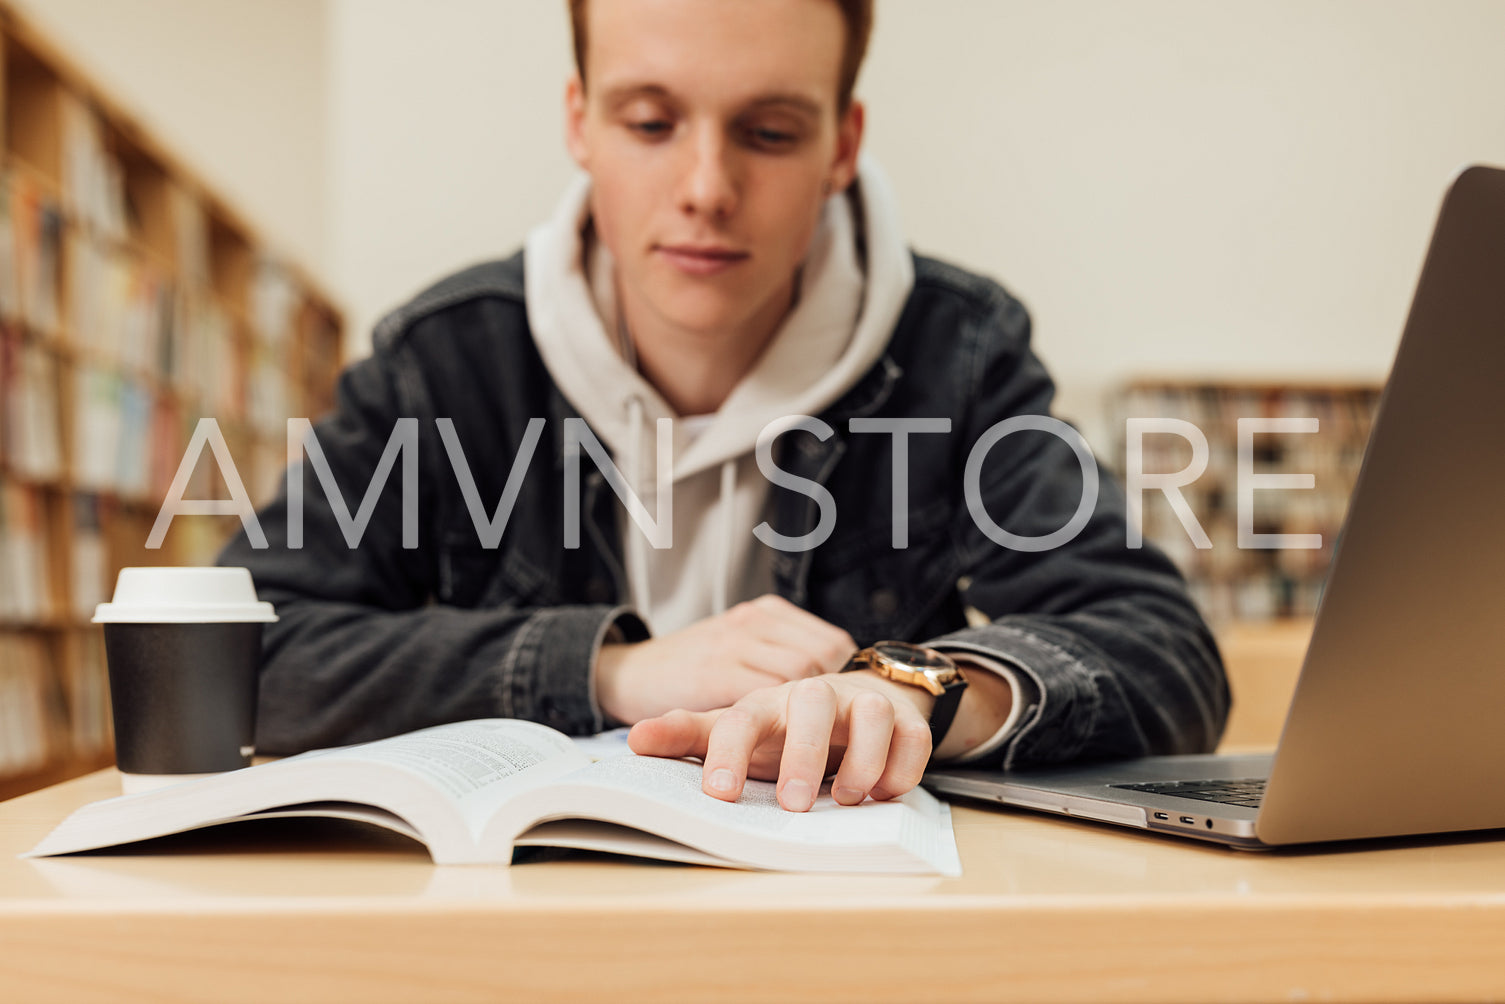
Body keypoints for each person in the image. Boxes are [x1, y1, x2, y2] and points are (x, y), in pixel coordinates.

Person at [220, 0, 1227, 813]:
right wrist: (614, 671)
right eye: (650, 123)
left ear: (841, 143)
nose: (706, 187)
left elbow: (1162, 646)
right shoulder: (444, 361)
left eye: (770, 132)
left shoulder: (956, 353)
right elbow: (237, 652)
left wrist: (912, 688)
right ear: (578, 122)